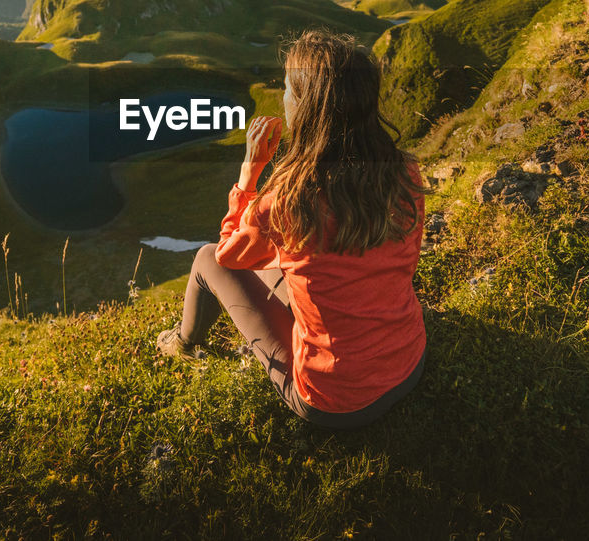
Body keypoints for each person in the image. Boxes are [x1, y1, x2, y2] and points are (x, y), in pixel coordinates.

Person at [156, 29, 429, 429]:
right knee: (282, 269)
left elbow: (228, 255)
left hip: (334, 401)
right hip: (410, 364)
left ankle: (182, 343)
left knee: (205, 260)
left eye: (286, 88)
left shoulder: (289, 199)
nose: (281, 95)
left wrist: (249, 175)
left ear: (305, 106)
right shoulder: (404, 171)